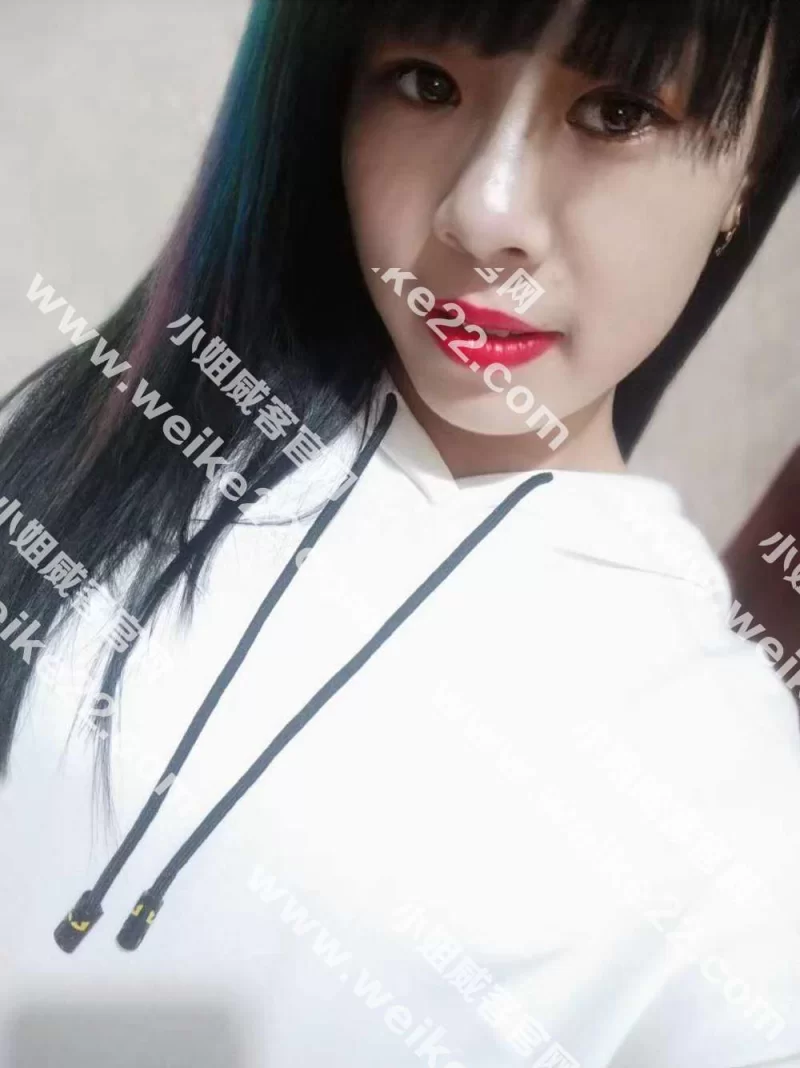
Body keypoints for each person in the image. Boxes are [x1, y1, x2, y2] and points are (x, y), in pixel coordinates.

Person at [1, 1, 799, 1065]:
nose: (483, 213)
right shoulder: (128, 433)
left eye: (617, 112)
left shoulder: (730, 807)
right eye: (425, 84)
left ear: (748, 168)